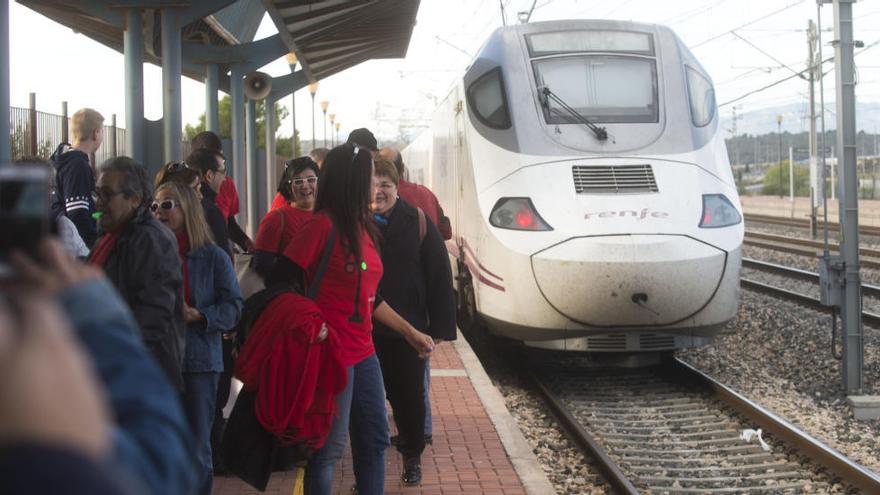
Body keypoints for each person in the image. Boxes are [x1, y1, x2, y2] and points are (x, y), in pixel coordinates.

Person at [275, 143, 434, 495]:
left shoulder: (363, 228)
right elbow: (281, 280)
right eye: (369, 179)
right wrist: (312, 324)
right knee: (328, 450)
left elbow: (370, 297)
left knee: (375, 439)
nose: (375, 186)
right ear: (352, 182)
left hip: (363, 353)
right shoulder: (321, 226)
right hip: (331, 354)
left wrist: (410, 333)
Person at [6, 239, 196, 494]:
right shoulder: (51, 462)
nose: (102, 204)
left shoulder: (149, 240)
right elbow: (161, 466)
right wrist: (99, 320)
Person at [153, 182, 243, 495]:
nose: (159, 212)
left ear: (187, 209)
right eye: (155, 206)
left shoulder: (213, 257)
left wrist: (200, 316)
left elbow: (234, 307)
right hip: (158, 360)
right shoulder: (149, 254)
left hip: (199, 361)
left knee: (196, 448)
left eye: (167, 205)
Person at [370, 158, 456, 485]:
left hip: (408, 330)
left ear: (396, 187)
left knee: (409, 402)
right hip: (366, 330)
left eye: (386, 186)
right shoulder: (358, 222)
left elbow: (438, 274)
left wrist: (439, 330)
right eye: (374, 186)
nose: (379, 192)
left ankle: (411, 457)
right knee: (369, 406)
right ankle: (371, 469)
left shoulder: (417, 220)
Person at [88, 156, 186, 392]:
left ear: (135, 199)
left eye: (107, 194)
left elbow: (152, 314)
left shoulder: (150, 240)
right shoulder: (110, 236)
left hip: (140, 376)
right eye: (97, 193)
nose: (98, 203)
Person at [191, 131, 255, 253]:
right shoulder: (179, 194)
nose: (224, 176)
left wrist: (246, 243)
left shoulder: (227, 184)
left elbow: (229, 223)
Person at [155, 160, 232, 260]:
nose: (200, 196)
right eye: (155, 205)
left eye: (199, 189)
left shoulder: (211, 215)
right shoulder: (147, 249)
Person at [50, 108, 104, 248]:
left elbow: (90, 211)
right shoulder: (77, 165)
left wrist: (99, 215)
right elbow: (78, 213)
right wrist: (93, 246)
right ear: (96, 133)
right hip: (75, 248)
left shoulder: (61, 161)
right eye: (102, 131)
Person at [257, 157, 318, 271]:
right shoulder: (276, 219)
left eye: (311, 179)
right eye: (298, 181)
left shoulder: (327, 216)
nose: (305, 186)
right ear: (288, 187)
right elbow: (262, 265)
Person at [378, 147, 452, 241]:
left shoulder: (378, 198)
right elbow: (446, 232)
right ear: (402, 168)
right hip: (429, 253)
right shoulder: (427, 193)